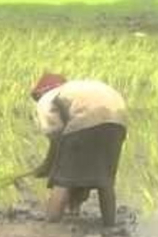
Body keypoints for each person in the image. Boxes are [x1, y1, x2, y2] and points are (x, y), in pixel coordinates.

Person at [29, 73, 128, 226]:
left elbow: (56, 135)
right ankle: (109, 227)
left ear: (40, 92)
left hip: (86, 118)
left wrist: (48, 166)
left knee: (63, 180)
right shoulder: (75, 89)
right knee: (106, 181)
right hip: (118, 121)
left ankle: (49, 225)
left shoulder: (47, 97)